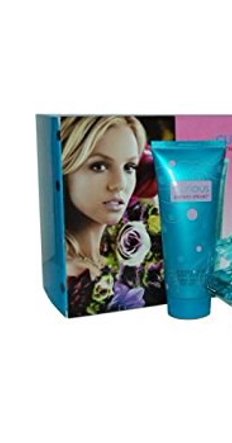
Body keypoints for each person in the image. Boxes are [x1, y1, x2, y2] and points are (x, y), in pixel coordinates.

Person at [61, 116, 165, 317]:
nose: (120, 184)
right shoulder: (69, 275)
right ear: (66, 168)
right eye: (99, 166)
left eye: (129, 167)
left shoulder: (129, 255)